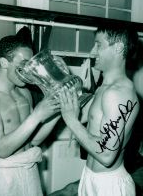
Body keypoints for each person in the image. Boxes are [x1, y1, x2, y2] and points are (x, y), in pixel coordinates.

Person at [57, 26, 140, 196]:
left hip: (109, 185)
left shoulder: (117, 93)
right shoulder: (104, 88)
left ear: (118, 48)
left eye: (98, 45)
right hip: (91, 176)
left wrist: (71, 120)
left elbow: (107, 156)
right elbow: (82, 116)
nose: (92, 52)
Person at [0, 35, 61, 196]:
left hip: (30, 169)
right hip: (3, 176)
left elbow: (32, 141)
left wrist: (59, 111)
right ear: (4, 62)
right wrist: (37, 115)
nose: (28, 70)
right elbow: (0, 149)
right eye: (23, 64)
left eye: (30, 65)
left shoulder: (24, 93)